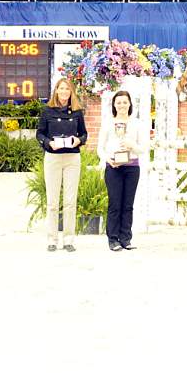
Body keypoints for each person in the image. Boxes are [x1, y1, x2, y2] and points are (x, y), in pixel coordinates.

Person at [36, 78, 87, 252]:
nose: (64, 92)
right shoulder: (48, 111)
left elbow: (84, 135)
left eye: (67, 89)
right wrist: (48, 143)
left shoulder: (78, 112)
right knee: (52, 201)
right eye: (61, 88)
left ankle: (68, 240)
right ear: (56, 91)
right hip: (53, 158)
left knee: (70, 201)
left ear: (71, 92)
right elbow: (39, 134)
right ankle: (52, 239)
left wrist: (77, 140)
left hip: (72, 158)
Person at [97, 90, 148, 251]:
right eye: (118, 102)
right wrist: (108, 159)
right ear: (114, 105)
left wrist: (132, 145)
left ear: (130, 104)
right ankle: (113, 239)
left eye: (125, 102)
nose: (122, 105)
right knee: (115, 204)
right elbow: (100, 148)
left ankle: (126, 238)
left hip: (132, 167)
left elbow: (143, 148)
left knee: (128, 204)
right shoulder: (107, 122)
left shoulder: (137, 123)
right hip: (113, 167)